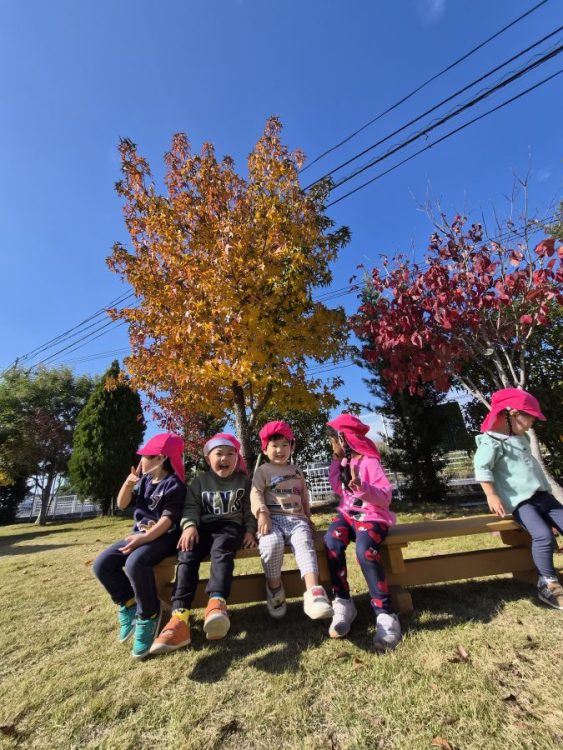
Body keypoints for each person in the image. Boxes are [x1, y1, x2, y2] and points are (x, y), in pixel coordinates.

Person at [150, 433, 256, 653]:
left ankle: (217, 603)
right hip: (203, 527)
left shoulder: (243, 482)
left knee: (221, 550)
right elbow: (191, 507)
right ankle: (179, 617)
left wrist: (249, 530)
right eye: (219, 454)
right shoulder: (199, 482)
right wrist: (189, 526)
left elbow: (249, 509)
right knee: (187, 553)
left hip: (230, 526)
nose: (225, 458)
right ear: (208, 459)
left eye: (231, 454)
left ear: (237, 458)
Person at [93, 432, 186, 660]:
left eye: (146, 456)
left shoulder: (174, 485)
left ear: (161, 459)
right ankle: (128, 603)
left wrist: (144, 539)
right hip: (140, 535)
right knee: (102, 564)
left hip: (164, 537)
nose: (141, 460)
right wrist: (128, 485)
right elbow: (122, 504)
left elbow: (168, 520)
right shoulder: (144, 481)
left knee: (135, 563)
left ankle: (148, 615)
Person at [474, 388, 563, 610]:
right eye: (530, 417)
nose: (532, 423)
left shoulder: (520, 437)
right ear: (512, 413)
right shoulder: (491, 441)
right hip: (523, 503)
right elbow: (481, 467)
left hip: (543, 497)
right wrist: (491, 495)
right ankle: (548, 583)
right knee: (542, 535)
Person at [324, 413, 401, 651]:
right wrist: (337, 463)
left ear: (344, 439)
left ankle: (385, 614)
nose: (331, 446)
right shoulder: (344, 462)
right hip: (349, 515)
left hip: (373, 516)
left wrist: (363, 487)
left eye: (334, 441)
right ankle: (343, 601)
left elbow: (385, 497)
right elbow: (338, 488)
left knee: (364, 550)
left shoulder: (370, 462)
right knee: (332, 540)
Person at [251, 420, 333, 621]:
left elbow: (304, 496)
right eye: (274, 446)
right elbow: (256, 493)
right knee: (271, 544)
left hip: (297, 520)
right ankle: (274, 588)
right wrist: (262, 512)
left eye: (284, 445)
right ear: (265, 448)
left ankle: (314, 591)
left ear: (292, 447)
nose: (280, 450)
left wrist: (308, 517)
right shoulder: (263, 471)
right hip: (272, 520)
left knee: (305, 544)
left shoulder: (296, 471)